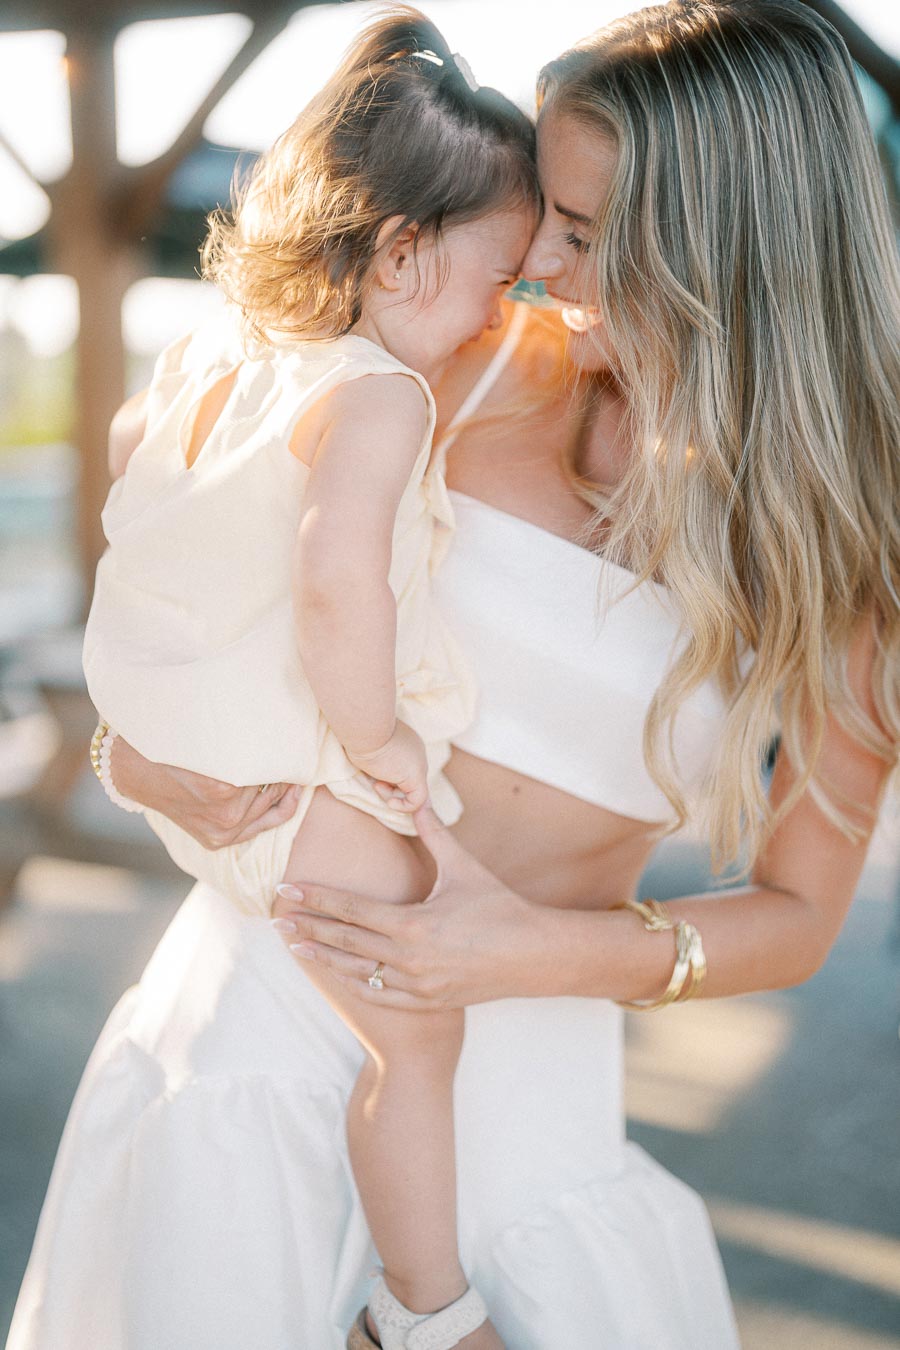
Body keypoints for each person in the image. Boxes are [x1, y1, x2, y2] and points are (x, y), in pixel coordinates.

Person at [8, 2, 898, 1349]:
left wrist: (525, 951)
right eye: (544, 209)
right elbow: (191, 544)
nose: (534, 257)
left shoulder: (843, 560)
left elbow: (794, 917)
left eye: (587, 234)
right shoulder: (458, 371)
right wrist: (130, 755)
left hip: (531, 1099)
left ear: (727, 252)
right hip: (257, 1028)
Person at [79, 10, 540, 1349]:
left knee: (392, 1016)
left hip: (190, 772)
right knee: (422, 1035)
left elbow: (130, 462)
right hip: (304, 784)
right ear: (402, 255)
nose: (503, 310)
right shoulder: (377, 394)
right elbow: (339, 578)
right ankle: (425, 1308)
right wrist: (380, 732)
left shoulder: (204, 366)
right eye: (495, 278)